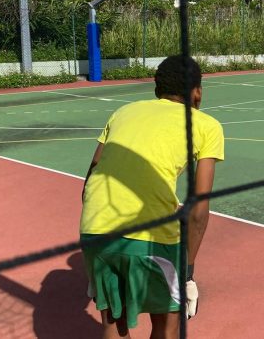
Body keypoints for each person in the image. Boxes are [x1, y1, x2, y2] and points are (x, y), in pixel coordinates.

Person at [80, 55, 224, 338]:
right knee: (167, 324)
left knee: (113, 320)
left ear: (158, 89)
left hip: (95, 229)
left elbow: (91, 177)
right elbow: (198, 210)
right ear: (197, 91)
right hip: (151, 235)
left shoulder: (123, 112)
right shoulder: (206, 125)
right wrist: (188, 272)